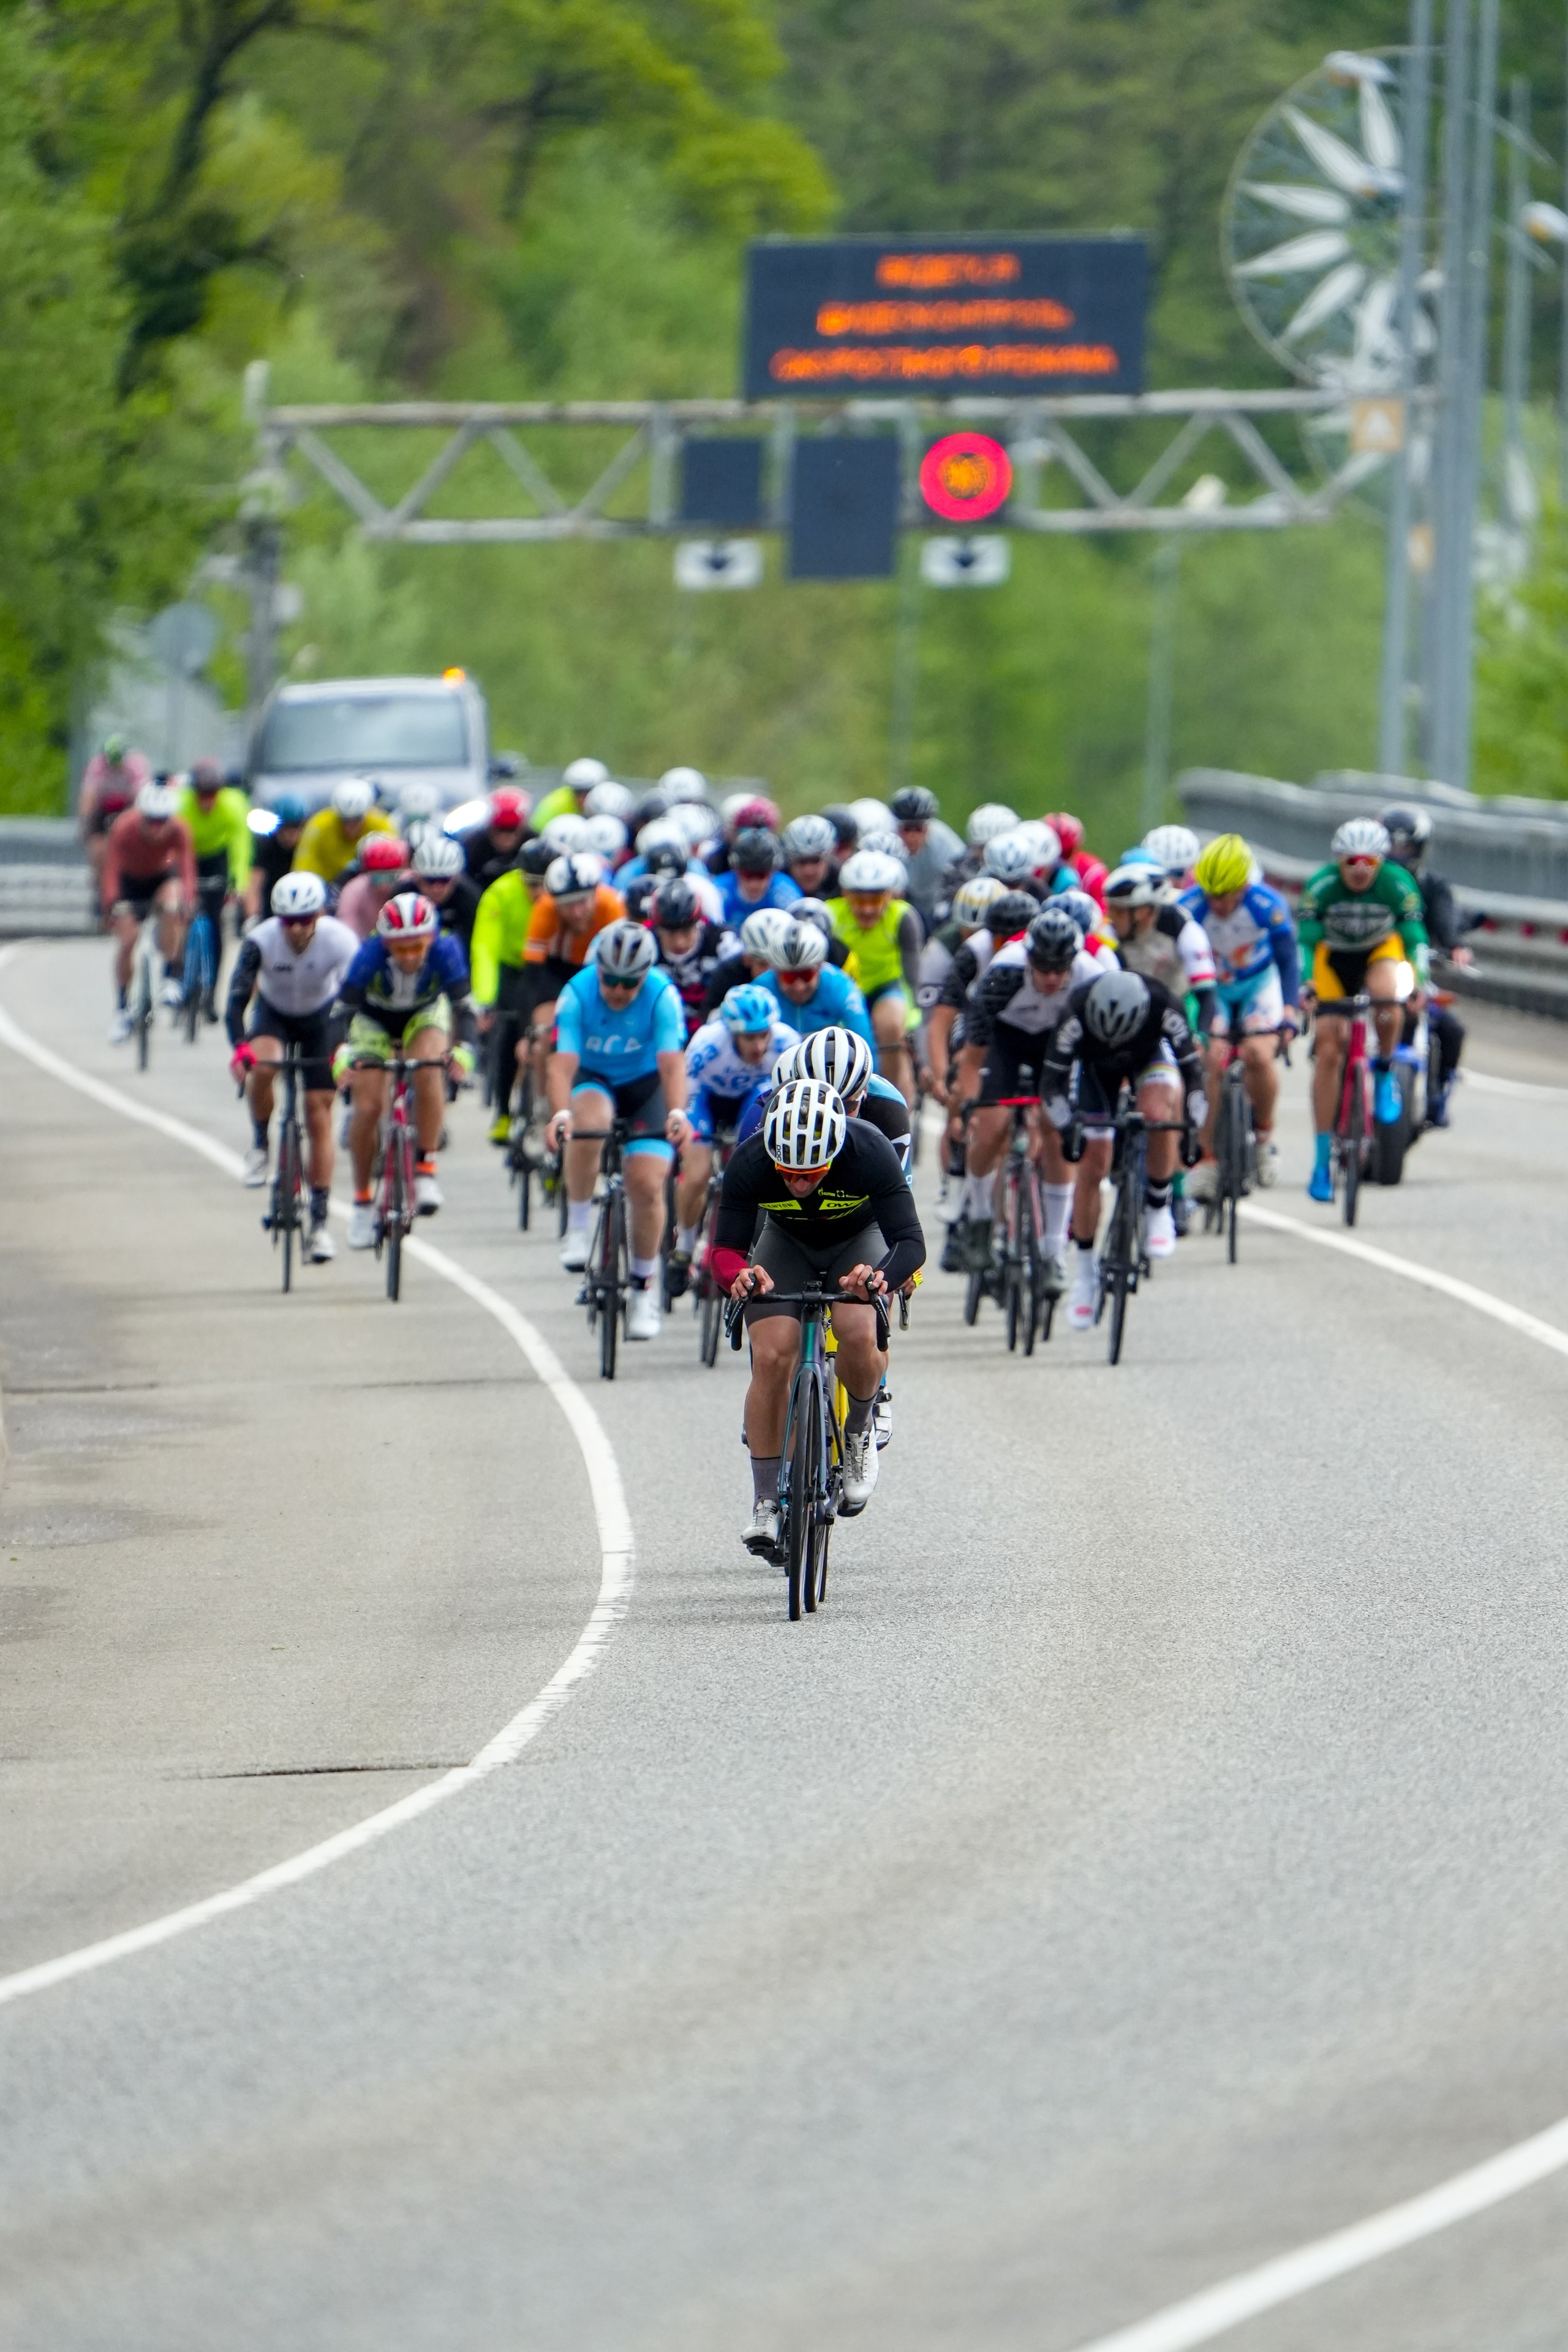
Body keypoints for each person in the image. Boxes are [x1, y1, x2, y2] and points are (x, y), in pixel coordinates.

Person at [716, 1078, 926, 1555]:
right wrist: (740, 1276)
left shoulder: (870, 1149)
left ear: (836, 1152)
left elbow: (911, 1243)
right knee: (771, 1356)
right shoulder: (750, 1160)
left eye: (812, 1173)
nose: (799, 1183)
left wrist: (879, 1278)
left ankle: (857, 1431)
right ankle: (766, 1501)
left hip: (859, 1240)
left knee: (856, 1331)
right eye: (788, 1173)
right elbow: (725, 1248)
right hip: (786, 1243)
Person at [545, 920, 690, 1340]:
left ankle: (644, 1287)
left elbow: (672, 1064)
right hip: (594, 1078)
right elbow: (562, 1065)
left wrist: (678, 1110)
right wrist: (559, 1114)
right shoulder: (576, 992)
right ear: (598, 969)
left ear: (644, 976)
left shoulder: (662, 994)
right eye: (611, 980)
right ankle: (576, 1228)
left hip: (646, 1086)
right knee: (588, 1121)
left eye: (631, 983)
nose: (620, 991)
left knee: (646, 1184)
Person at [1036, 967, 1204, 1328]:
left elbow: (1194, 1077)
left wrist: (1191, 1132)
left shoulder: (1164, 1003)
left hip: (1150, 1057)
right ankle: (1084, 1273)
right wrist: (1070, 1132)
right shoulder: (1075, 1011)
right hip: (1095, 1071)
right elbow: (1050, 1088)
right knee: (1093, 1162)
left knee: (1158, 1113)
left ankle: (1159, 1205)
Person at [956, 903, 1104, 1283]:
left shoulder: (1091, 977)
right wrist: (969, 1105)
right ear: (1029, 959)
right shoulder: (1005, 972)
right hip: (1005, 1040)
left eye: (1060, 969)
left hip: (1056, 1046)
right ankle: (979, 1218)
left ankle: (1054, 1251)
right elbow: (973, 1058)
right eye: (1043, 968)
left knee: (1058, 1132)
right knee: (991, 1124)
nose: (1052, 978)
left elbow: (1098, 1053)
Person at [225, 872, 359, 1256]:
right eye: (289, 922)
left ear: (319, 915)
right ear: (278, 919)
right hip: (275, 1015)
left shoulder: (341, 940)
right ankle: (261, 1143)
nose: (297, 930)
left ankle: (319, 1220)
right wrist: (240, 1049)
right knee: (264, 1067)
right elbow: (236, 1002)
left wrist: (347, 1047)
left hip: (323, 1018)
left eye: (306, 921)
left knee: (319, 1114)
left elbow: (356, 1000)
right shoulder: (260, 942)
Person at [1298, 818, 1429, 1201]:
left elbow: (1414, 938)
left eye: (1369, 863)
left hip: (1377, 952)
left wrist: (1419, 981)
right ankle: (1321, 1161)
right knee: (1328, 1046)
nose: (1359, 870)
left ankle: (1385, 1070)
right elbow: (1306, 942)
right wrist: (1307, 983)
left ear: (1381, 861)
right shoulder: (1321, 886)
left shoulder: (1398, 884)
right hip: (1333, 957)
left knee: (1389, 1000)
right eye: (1350, 861)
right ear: (1338, 861)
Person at [337, 892, 475, 1242]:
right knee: (367, 1108)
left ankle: (426, 1168)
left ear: (430, 939)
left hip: (422, 1015)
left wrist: (464, 1052)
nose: (410, 955)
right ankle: (362, 1202)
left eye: (417, 946)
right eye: (400, 948)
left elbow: (466, 1008)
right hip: (374, 1021)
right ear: (385, 944)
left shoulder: (446, 951)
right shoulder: (368, 956)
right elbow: (341, 1014)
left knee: (429, 1068)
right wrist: (341, 1054)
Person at [1180, 833, 1301, 1189]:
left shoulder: (1267, 904)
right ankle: (1208, 1158)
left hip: (1258, 985)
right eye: (1210, 894)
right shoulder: (1189, 907)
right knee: (1211, 1057)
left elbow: (1289, 961)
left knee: (1259, 1055)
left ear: (1244, 886)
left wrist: (1290, 1011)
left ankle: (1264, 1138)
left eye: (1226, 894)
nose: (1217, 903)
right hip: (1213, 988)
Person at [671, 983, 800, 1292]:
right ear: (731, 1033)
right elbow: (683, 1093)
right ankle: (685, 1246)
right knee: (698, 1173)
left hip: (751, 1100)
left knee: (754, 1158)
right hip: (707, 1100)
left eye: (763, 1035)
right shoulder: (707, 1046)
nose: (758, 1046)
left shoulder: (788, 1043)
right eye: (749, 1037)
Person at [1381, 802, 1472, 1127]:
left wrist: (1455, 945)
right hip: (1373, 972)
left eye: (1405, 845)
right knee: (1339, 1028)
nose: (1398, 852)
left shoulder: (1434, 887)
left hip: (1414, 971)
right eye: (1391, 844)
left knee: (1451, 1029)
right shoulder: (1370, 884)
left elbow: (1447, 921)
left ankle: (1438, 1093)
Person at [826, 848, 922, 1107]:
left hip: (884, 988)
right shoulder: (830, 914)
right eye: (859, 901)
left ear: (890, 896)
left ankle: (888, 1098)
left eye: (876, 900)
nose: (867, 910)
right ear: (845, 895)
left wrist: (913, 1017)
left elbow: (914, 973)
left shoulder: (903, 917)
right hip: (843, 990)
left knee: (890, 1025)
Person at [102, 782, 197, 1038]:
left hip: (160, 878)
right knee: (127, 942)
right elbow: (110, 869)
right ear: (142, 815)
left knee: (172, 905)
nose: (157, 828)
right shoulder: (124, 827)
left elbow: (187, 869)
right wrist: (110, 904)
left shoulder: (179, 829)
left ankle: (171, 976)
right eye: (151, 820)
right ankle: (122, 1009)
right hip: (129, 883)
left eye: (162, 821)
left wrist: (188, 900)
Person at [472, 839, 551, 1142]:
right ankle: (504, 1113)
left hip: (546, 966)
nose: (536, 893)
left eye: (543, 885)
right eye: (530, 884)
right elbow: (485, 947)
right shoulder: (501, 893)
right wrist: (486, 997)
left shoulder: (560, 895)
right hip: (512, 967)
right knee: (507, 1035)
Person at [173, 759, 251, 1012]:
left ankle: (211, 994)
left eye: (212, 795)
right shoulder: (181, 804)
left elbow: (241, 846)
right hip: (189, 856)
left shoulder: (233, 804)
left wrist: (237, 882)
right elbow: (172, 846)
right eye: (202, 796)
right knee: (181, 915)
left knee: (216, 924)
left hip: (217, 858)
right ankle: (174, 975)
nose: (207, 801)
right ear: (193, 793)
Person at [1102, 862, 1216, 1023]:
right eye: (1110, 909)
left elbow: (1206, 995)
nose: (1111, 919)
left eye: (1119, 912)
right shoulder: (1108, 934)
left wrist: (1201, 1038)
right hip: (1135, 1011)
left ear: (1142, 911)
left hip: (1181, 1007)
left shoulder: (1183, 929)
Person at [758, 918, 875, 1047]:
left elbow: (864, 1042)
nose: (799, 987)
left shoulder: (840, 986)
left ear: (820, 967)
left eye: (806, 975)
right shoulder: (761, 990)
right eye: (789, 977)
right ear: (776, 972)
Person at [649, 877, 737, 1039]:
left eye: (686, 931)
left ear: (699, 923)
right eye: (670, 933)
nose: (679, 942)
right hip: (659, 1033)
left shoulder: (723, 943)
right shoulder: (645, 946)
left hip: (715, 1032)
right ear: (657, 928)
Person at [293, 777, 396, 884]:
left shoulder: (381, 824)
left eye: (357, 819)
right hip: (328, 886)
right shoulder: (319, 826)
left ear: (367, 813)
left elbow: (395, 868)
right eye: (345, 820)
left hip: (369, 887)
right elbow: (302, 868)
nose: (351, 826)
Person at [80, 735, 152, 886]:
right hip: (104, 807)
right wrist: (85, 824)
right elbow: (88, 797)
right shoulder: (97, 765)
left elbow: (141, 797)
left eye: (118, 762)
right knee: (98, 846)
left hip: (127, 805)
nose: (115, 767)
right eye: (111, 763)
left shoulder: (136, 764)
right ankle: (99, 878)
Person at [888, 787, 965, 929]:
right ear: (896, 827)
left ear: (929, 827)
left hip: (936, 903)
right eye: (906, 829)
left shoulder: (944, 841)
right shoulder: (887, 841)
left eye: (918, 829)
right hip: (903, 901)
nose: (912, 836)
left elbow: (962, 873)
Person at [702, 907, 796, 1016]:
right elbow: (711, 1019)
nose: (771, 973)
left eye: (779, 964)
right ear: (746, 959)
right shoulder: (727, 978)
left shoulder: (804, 979)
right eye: (763, 964)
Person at [410, 832, 481, 952]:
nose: (437, 888)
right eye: (430, 880)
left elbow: (477, 944)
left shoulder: (470, 897)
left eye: (445, 880)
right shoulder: (403, 894)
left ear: (456, 878)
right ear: (417, 879)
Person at [716, 827, 801, 925]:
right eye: (747, 875)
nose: (754, 884)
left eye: (762, 875)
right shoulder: (718, 892)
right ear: (736, 871)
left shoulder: (786, 893)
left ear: (773, 872)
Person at [244, 794, 308, 924]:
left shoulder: (308, 844)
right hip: (272, 905)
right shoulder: (265, 845)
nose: (290, 835)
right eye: (285, 828)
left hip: (304, 905)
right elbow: (254, 883)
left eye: (295, 827)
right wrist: (252, 917)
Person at [334, 832, 410, 940]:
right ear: (366, 873)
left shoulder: (410, 884)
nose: (384, 885)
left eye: (390, 877)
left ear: (401, 872)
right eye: (377, 878)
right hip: (364, 943)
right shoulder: (353, 890)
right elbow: (346, 929)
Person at [462, 786, 531, 889]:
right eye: (500, 829)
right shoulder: (472, 847)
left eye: (512, 830)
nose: (506, 837)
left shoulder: (532, 845)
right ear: (490, 827)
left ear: (522, 828)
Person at [528, 756, 609, 835]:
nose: (582, 798)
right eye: (578, 792)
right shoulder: (554, 804)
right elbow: (535, 833)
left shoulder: (609, 803)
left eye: (588, 792)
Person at [1045, 811, 1107, 907]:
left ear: (1076, 848)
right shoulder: (1034, 868)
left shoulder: (1093, 874)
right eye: (1053, 854)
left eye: (1065, 853)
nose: (1059, 861)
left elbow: (1103, 915)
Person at [780, 813, 840, 902]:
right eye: (801, 861)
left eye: (816, 860)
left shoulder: (840, 882)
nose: (809, 871)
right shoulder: (777, 878)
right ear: (789, 859)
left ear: (828, 857)